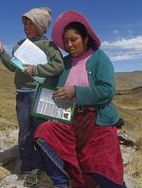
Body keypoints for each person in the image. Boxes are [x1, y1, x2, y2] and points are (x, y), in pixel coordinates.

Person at [34, 10, 125, 188]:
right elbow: (53, 88)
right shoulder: (65, 63)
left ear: (85, 38)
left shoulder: (99, 58)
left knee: (104, 167)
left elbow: (107, 90)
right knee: (44, 132)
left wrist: (75, 92)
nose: (69, 45)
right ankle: (61, 183)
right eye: (66, 41)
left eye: (73, 39)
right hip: (70, 121)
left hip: (97, 123)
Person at [0, 7, 65, 181]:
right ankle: (28, 168)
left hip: (39, 94)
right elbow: (12, 66)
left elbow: (58, 66)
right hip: (22, 95)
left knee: (41, 132)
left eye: (30, 23)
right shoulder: (20, 45)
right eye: (25, 23)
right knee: (24, 133)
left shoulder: (48, 45)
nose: (26, 26)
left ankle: (44, 167)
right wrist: (1, 51)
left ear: (39, 26)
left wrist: (36, 69)